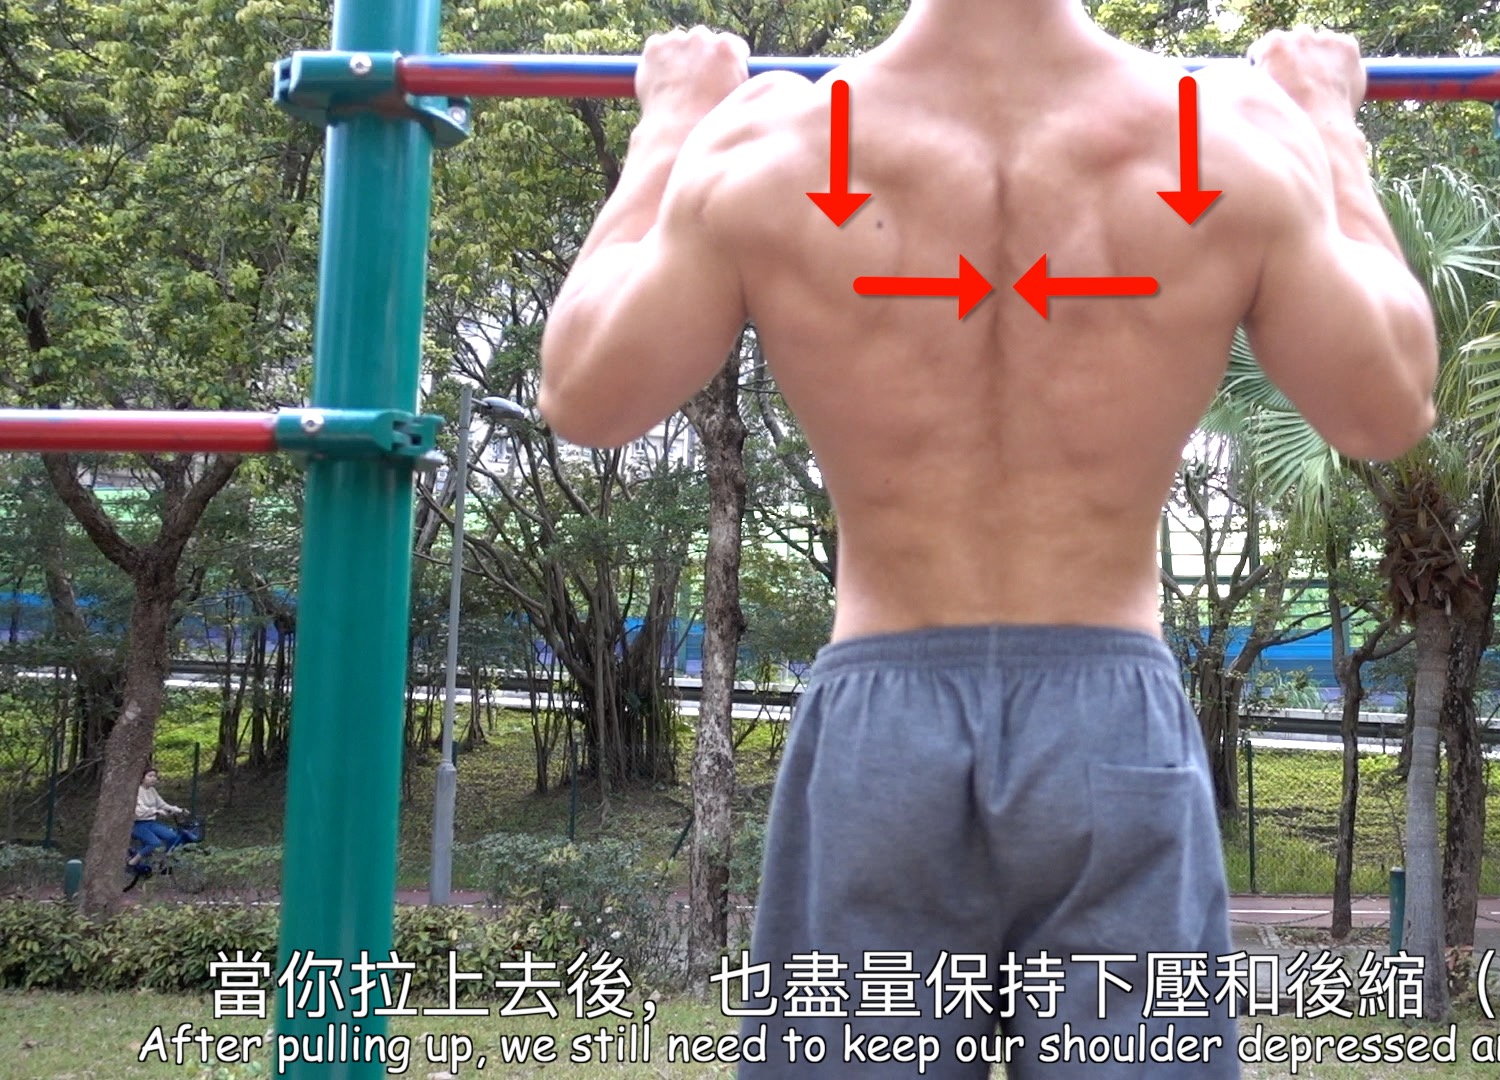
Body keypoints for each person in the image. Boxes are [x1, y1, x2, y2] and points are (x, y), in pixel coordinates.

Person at [540, 2, 1437, 1074]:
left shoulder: (775, 140)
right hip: (1110, 731)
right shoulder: (1225, 135)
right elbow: (1387, 407)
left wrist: (668, 128)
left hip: (884, 732)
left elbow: (585, 394)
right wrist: (1330, 125)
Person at [131, 767, 185, 867]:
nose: (153, 778)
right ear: (142, 778)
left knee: (172, 836)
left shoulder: (152, 790)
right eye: (150, 776)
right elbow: (140, 809)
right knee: (154, 843)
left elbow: (162, 804)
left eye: (155, 776)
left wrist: (176, 809)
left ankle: (165, 862)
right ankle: (133, 862)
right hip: (137, 824)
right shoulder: (136, 791)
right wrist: (156, 812)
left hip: (151, 822)